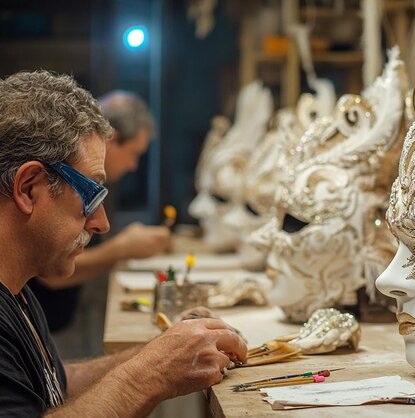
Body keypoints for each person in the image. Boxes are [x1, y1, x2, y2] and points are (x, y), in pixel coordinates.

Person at [0, 70, 247, 416]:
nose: (101, 223)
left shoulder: (16, 291)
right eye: (89, 194)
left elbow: (51, 385)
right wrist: (146, 375)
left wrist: (161, 352)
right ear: (28, 188)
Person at [29, 90, 171, 333]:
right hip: (39, 320)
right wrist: (121, 248)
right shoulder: (60, 183)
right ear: (112, 139)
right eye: (134, 154)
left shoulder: (83, 183)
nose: (133, 166)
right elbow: (49, 271)